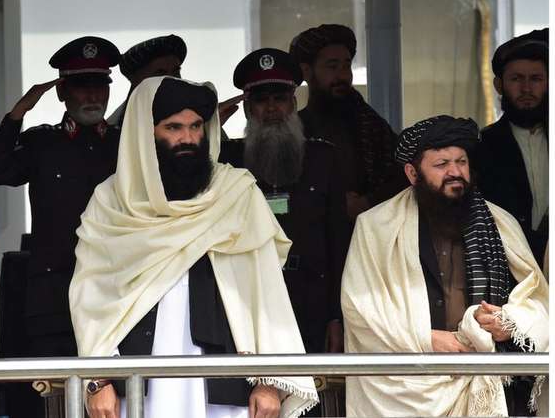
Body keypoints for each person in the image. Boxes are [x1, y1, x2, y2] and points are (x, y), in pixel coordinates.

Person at [71, 76, 318, 418]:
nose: (188, 138)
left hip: (223, 383)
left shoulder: (236, 194)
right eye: (173, 127)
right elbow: (90, 297)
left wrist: (270, 380)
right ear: (145, 133)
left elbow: (266, 294)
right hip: (134, 383)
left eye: (196, 126)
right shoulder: (112, 202)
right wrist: (98, 380)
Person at [341, 115, 548, 417]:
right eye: (441, 164)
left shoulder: (500, 222)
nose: (455, 172)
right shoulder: (376, 226)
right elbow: (359, 307)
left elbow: (539, 298)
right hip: (409, 387)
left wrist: (511, 322)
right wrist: (425, 338)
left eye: (461, 162)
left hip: (488, 379)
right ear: (413, 173)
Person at [0, 36, 121, 361]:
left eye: (99, 85)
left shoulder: (123, 144)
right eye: (82, 86)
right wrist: (17, 114)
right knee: (53, 401)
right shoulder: (42, 143)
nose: (92, 95)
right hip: (54, 296)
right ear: (62, 92)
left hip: (112, 290)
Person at [219, 48, 349, 358]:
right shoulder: (229, 161)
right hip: (251, 300)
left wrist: (337, 317)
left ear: (294, 102)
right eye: (262, 100)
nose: (272, 108)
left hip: (312, 300)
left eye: (279, 98)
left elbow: (339, 243)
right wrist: (212, 128)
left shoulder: (323, 159)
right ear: (248, 107)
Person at [289, 24, 407, 221]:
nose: (342, 75)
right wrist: (333, 203)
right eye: (332, 66)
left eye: (346, 66)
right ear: (307, 72)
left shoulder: (371, 125)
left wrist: (366, 202)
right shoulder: (294, 129)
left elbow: (404, 175)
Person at [477, 28, 548, 268]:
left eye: (536, 79)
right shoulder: (484, 146)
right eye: (516, 79)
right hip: (507, 267)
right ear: (499, 85)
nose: (527, 89)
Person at [107, 34, 187, 126]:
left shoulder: (200, 115)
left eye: (176, 72)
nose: (172, 80)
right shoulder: (115, 129)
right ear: (137, 81)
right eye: (160, 73)